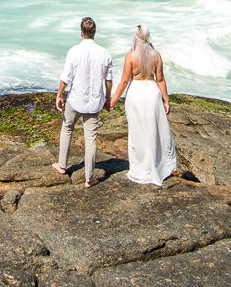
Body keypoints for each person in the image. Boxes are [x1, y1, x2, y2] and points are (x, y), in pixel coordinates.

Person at [108, 24, 178, 186]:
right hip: (152, 93)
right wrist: (166, 100)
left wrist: (113, 99)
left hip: (136, 95)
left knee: (137, 132)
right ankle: (156, 167)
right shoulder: (156, 55)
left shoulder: (131, 56)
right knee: (154, 132)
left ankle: (139, 170)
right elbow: (160, 79)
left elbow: (125, 81)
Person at [53, 16, 113, 187]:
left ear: (81, 33)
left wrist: (59, 95)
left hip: (75, 99)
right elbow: (108, 79)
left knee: (67, 129)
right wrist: (108, 99)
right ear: (94, 33)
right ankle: (89, 178)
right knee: (91, 139)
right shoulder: (104, 53)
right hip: (94, 102)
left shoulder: (74, 51)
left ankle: (62, 165)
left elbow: (66, 77)